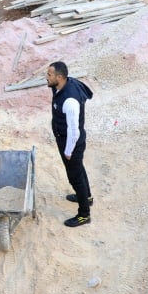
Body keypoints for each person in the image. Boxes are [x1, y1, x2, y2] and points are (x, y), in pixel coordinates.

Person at [46, 61, 94, 227]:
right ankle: (87, 197)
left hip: (71, 144)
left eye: (49, 75)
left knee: (75, 178)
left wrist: (68, 151)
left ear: (59, 77)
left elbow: (74, 132)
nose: (47, 78)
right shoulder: (63, 84)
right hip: (67, 141)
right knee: (79, 169)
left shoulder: (70, 102)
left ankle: (84, 214)